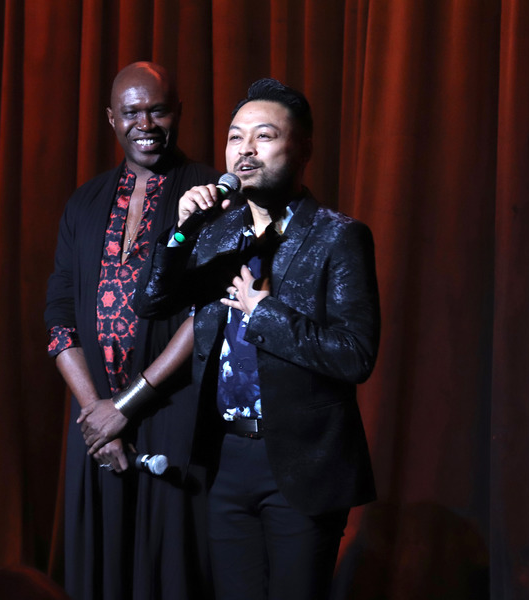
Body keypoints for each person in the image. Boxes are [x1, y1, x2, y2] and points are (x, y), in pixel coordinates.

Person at [134, 78, 380, 600]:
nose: (245, 150)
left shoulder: (339, 236)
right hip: (225, 457)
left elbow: (355, 355)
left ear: (303, 149)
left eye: (264, 136)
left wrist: (264, 312)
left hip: (302, 461)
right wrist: (181, 229)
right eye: (235, 137)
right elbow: (152, 303)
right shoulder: (217, 233)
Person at [44, 62, 218, 599]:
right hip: (96, 427)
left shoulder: (209, 195)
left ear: (178, 113)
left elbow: (209, 312)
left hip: (173, 415)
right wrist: (98, 413)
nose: (146, 124)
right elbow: (58, 316)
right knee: (100, 574)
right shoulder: (84, 201)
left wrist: (127, 405)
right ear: (111, 119)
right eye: (131, 112)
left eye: (158, 110)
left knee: (169, 575)